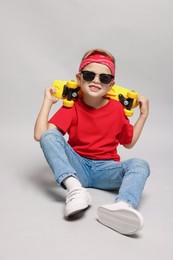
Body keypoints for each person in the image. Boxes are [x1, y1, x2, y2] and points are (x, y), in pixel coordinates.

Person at [34, 48, 150, 236]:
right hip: (77, 167)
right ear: (79, 79)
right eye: (89, 75)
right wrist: (47, 102)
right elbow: (41, 135)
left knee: (140, 164)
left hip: (106, 169)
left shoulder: (117, 110)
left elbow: (128, 143)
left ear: (111, 84)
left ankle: (124, 205)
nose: (96, 80)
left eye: (103, 78)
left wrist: (143, 116)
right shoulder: (72, 107)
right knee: (50, 135)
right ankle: (75, 189)